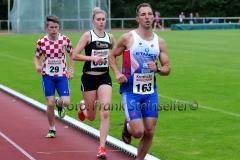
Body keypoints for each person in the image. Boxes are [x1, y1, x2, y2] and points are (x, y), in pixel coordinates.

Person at [109, 3, 170, 160]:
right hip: (130, 91)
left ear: (153, 17)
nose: (147, 17)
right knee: (138, 132)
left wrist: (156, 69)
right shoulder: (128, 38)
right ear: (137, 18)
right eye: (143, 14)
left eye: (149, 14)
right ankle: (127, 127)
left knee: (149, 131)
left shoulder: (160, 42)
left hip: (150, 92)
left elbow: (167, 68)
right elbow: (111, 56)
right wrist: (117, 73)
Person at [73, 7, 115, 159]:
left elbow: (113, 56)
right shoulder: (88, 36)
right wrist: (92, 58)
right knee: (91, 116)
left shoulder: (110, 37)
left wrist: (117, 71)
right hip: (89, 78)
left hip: (104, 77)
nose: (101, 22)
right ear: (93, 21)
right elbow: (75, 55)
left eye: (103, 19)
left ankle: (102, 148)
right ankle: (83, 106)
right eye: (99, 19)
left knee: (105, 111)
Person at [34, 15, 74, 138]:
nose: (54, 30)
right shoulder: (41, 42)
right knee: (50, 103)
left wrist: (70, 70)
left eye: (56, 27)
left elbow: (72, 55)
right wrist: (37, 66)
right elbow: (36, 57)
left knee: (66, 102)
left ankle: (59, 103)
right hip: (47, 76)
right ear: (47, 28)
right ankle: (52, 128)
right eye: (51, 27)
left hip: (61, 75)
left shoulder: (65, 40)